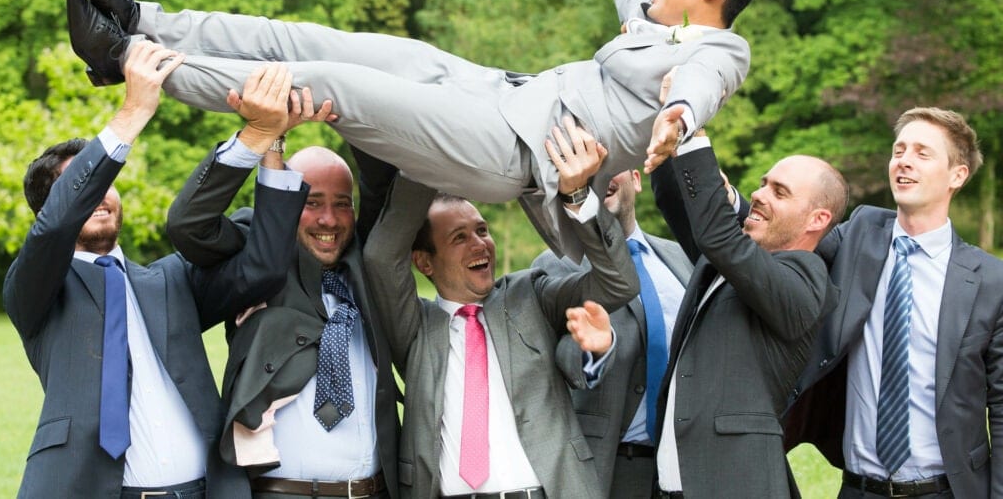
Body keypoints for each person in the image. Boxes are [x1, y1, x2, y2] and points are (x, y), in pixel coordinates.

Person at [65, 0, 766, 259]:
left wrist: (677, 118)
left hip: (512, 149)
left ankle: (121, 57)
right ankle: (142, 17)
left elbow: (704, 87)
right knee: (310, 38)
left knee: (329, 87)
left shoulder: (719, 53)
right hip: (494, 87)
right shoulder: (651, 25)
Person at [3, 40, 307, 498]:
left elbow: (262, 268)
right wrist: (133, 111)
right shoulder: (35, 290)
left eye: (108, 186)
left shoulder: (169, 280)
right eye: (84, 187)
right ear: (51, 206)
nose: (103, 195)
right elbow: (53, 229)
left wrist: (266, 142)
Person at [358, 118, 639, 497]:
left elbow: (618, 282)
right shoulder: (415, 329)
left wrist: (577, 198)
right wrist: (426, 158)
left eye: (482, 229)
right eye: (459, 237)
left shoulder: (530, 295)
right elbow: (379, 257)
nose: (480, 244)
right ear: (425, 262)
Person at [165, 67, 403, 498]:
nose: (328, 219)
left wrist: (347, 109)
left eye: (340, 205)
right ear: (289, 200)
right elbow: (189, 224)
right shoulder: (259, 250)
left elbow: (382, 185)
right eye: (311, 202)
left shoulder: (369, 264)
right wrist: (263, 138)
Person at [783, 108, 1003, 498]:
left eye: (922, 152)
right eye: (898, 150)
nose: (903, 160)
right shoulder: (859, 235)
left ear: (958, 175)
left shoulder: (990, 281)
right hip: (858, 489)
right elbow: (794, 235)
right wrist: (732, 199)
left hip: (947, 490)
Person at [647, 110, 849, 498]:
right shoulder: (726, 262)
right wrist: (669, 120)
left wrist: (694, 129)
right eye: (763, 183)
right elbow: (676, 199)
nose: (756, 194)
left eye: (780, 191)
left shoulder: (807, 280)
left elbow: (719, 236)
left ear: (817, 219)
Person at [538, 167, 694, 498]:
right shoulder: (557, 264)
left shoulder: (681, 258)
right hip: (613, 469)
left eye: (612, 162)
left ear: (636, 180)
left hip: (688, 468)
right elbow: (560, 359)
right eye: (589, 169)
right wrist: (596, 350)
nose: (599, 174)